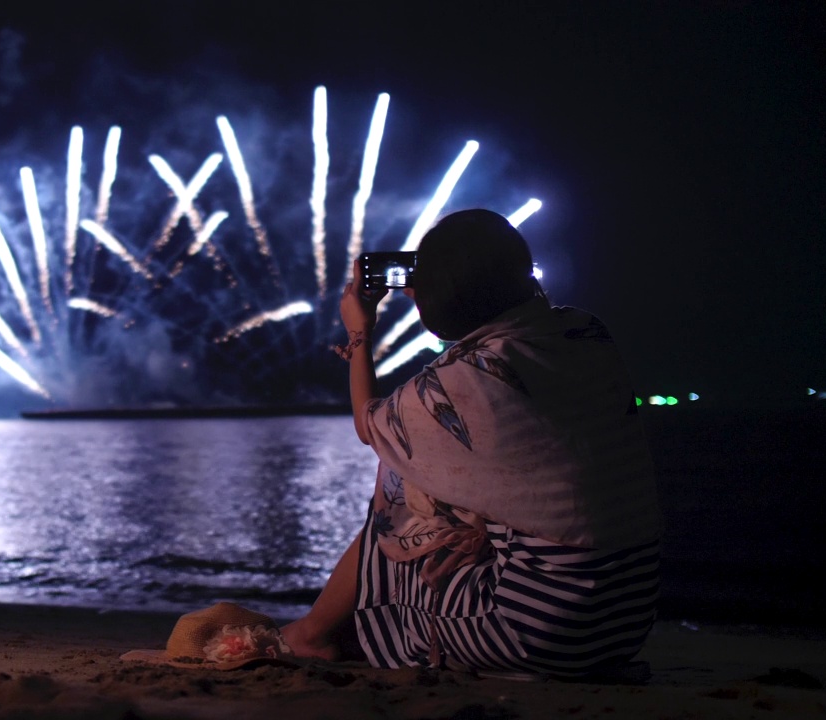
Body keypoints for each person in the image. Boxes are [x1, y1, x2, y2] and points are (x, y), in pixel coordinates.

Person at [281, 209, 662, 677]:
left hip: (540, 631)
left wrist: (360, 330)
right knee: (444, 490)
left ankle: (312, 634)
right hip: (625, 621)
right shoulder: (585, 331)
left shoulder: (463, 384)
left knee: (399, 497)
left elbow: (369, 424)